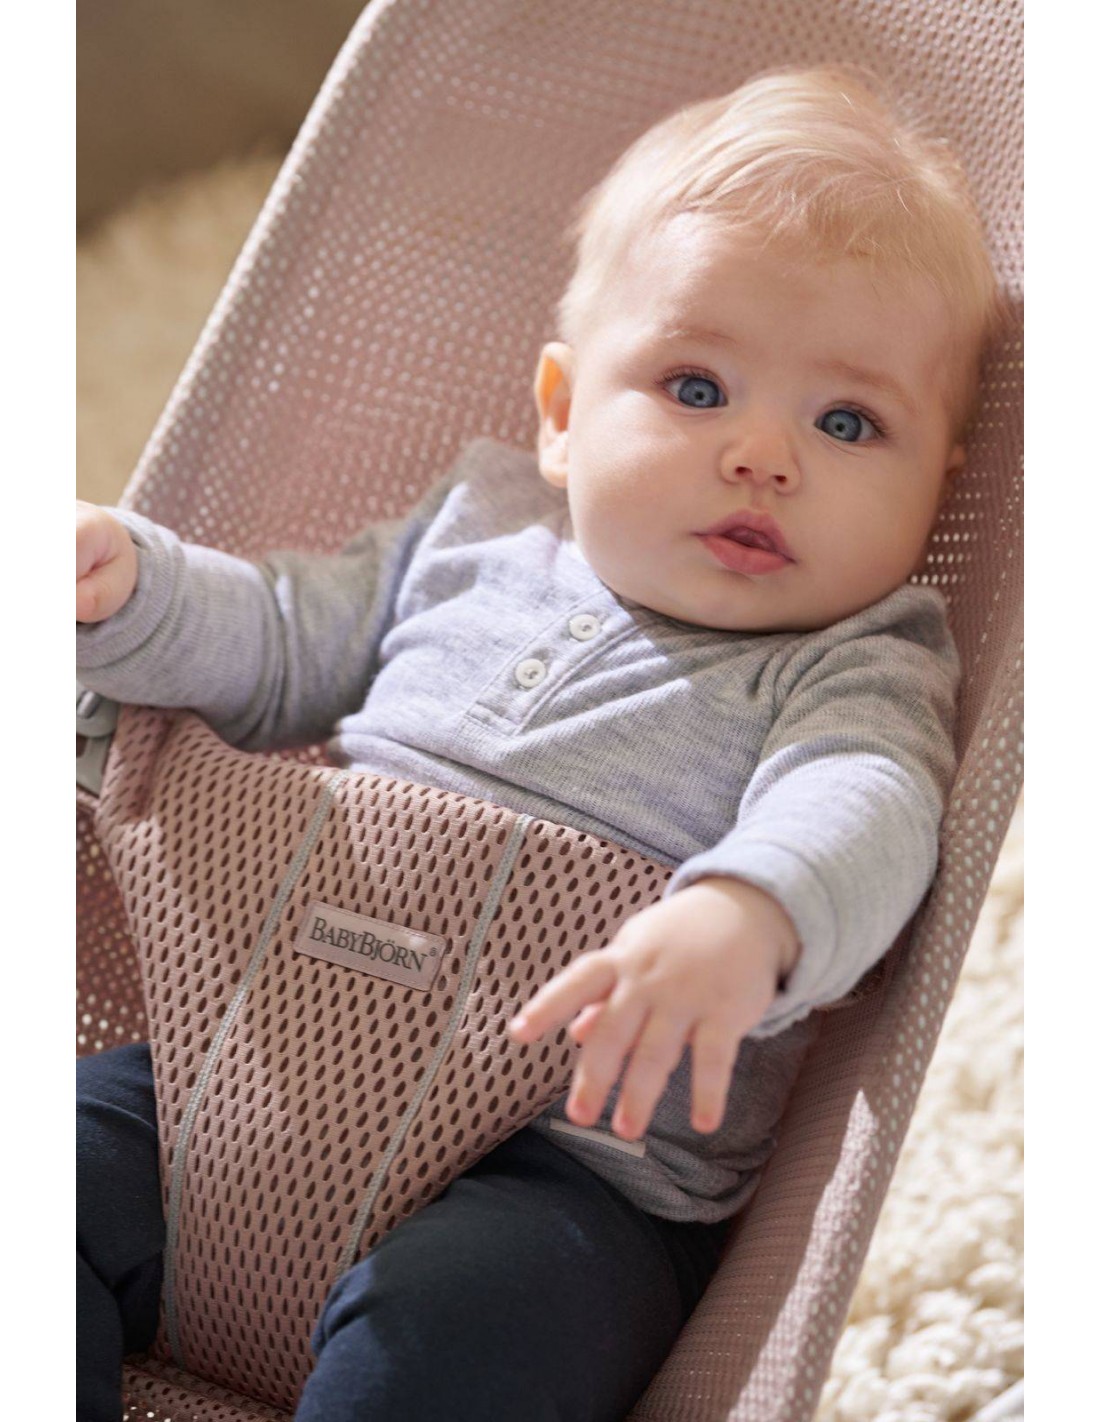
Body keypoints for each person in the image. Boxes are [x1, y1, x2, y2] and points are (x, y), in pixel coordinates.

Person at [76, 63, 1004, 1422]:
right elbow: (272, 643)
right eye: (696, 386)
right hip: (234, 1067)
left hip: (565, 1169)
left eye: (847, 422)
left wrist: (750, 912)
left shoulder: (856, 664)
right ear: (564, 415)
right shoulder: (472, 533)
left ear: (935, 490)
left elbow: (870, 803)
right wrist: (131, 588)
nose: (765, 453)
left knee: (464, 1340)